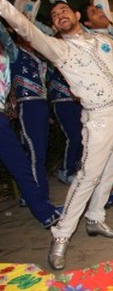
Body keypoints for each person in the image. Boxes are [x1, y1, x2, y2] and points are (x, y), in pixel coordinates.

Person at [0, 0, 113, 270]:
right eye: (55, 15)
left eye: (64, 10)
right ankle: (61, 236)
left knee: (111, 170)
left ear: (75, 14)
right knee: (87, 177)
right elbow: (25, 29)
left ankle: (95, 219)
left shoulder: (102, 40)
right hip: (98, 118)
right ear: (53, 25)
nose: (60, 15)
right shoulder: (60, 49)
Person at [0, 20, 62, 228]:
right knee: (30, 159)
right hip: (27, 107)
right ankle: (42, 206)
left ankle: (44, 210)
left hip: (13, 114)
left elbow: (50, 37)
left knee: (23, 164)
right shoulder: (14, 52)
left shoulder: (25, 56)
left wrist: (28, 21)